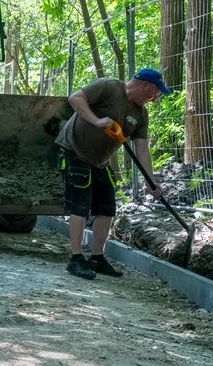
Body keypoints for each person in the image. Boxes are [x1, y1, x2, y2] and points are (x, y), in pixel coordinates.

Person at [56, 68, 169, 280]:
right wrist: (96, 121)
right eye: (155, 92)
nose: (155, 97)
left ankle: (97, 258)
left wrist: (150, 180)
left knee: (107, 206)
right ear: (145, 86)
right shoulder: (108, 87)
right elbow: (75, 98)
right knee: (80, 205)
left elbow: (142, 150)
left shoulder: (141, 114)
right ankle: (76, 259)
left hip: (100, 161)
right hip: (75, 151)